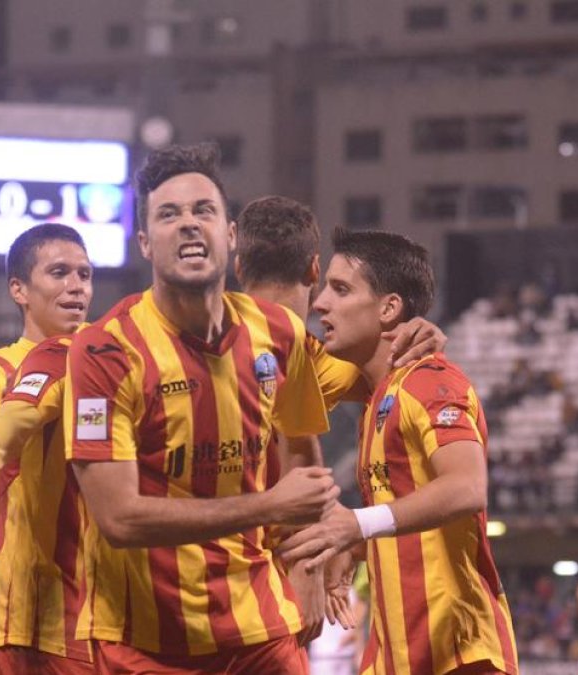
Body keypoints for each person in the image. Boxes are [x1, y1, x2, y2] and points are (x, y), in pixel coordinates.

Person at [64, 142, 339, 673]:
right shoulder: (104, 351)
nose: (189, 224)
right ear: (145, 242)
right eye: (169, 214)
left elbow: (303, 455)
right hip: (143, 646)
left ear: (230, 235)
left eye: (203, 211)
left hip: (261, 632)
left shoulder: (280, 332)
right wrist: (269, 507)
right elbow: (119, 517)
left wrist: (307, 566)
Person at [280, 229, 519, 675]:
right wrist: (353, 547)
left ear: (389, 308)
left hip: (456, 654)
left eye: (341, 288)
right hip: (397, 654)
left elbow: (467, 487)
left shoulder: (428, 381)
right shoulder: (377, 396)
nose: (320, 303)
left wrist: (357, 524)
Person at [234, 195, 448, 644]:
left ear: (237, 265)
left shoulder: (198, 339)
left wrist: (416, 336)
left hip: (188, 572)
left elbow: (391, 373)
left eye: (342, 289)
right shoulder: (311, 360)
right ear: (314, 269)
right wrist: (423, 335)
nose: (324, 303)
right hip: (263, 575)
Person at [0, 223, 94, 673]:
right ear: (19, 289)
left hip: (103, 621)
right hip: (15, 621)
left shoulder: (113, 366)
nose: (76, 287)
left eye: (85, 275)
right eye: (60, 272)